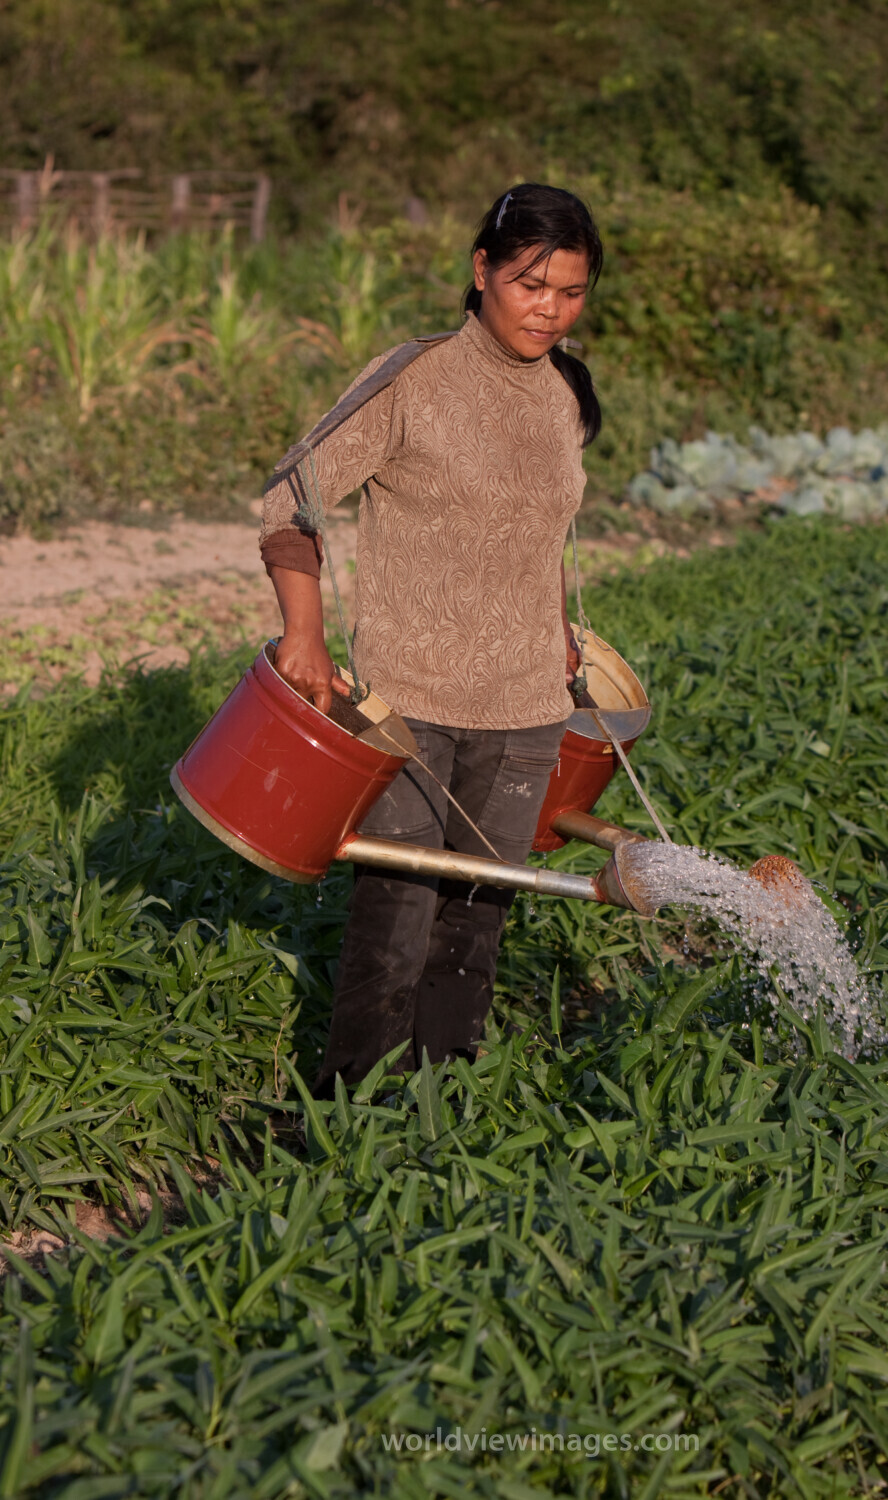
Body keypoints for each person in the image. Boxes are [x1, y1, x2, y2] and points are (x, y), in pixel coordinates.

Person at [258, 183, 603, 1094]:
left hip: (527, 708)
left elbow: (537, 534)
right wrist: (304, 635)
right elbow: (289, 497)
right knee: (397, 917)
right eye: (531, 284)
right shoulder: (412, 380)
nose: (550, 310)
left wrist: (559, 634)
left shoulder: (564, 394)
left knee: (478, 917)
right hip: (409, 703)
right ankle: (348, 1112)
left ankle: (441, 1109)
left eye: (571, 292)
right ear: (482, 271)